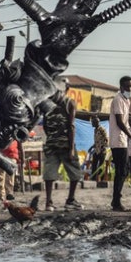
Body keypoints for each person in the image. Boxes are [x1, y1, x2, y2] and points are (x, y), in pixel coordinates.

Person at [42, 82, 83, 210]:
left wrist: (52, 137)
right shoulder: (69, 102)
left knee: (49, 173)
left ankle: (49, 202)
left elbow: (45, 125)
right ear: (66, 89)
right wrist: (71, 148)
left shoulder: (46, 104)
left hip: (51, 144)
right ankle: (70, 200)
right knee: (75, 172)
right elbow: (71, 126)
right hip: (65, 143)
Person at [108, 75, 131, 212]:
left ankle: (116, 200)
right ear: (121, 87)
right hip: (118, 140)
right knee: (122, 171)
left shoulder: (126, 100)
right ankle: (116, 202)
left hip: (122, 140)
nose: (130, 89)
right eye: (127, 86)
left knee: (124, 170)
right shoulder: (118, 99)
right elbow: (120, 122)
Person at [90, 115, 108, 182]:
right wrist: (91, 147)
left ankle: (101, 179)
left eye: (92, 122)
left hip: (102, 151)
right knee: (94, 164)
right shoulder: (95, 130)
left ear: (96, 122)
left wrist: (103, 148)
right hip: (97, 150)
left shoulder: (102, 129)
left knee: (101, 165)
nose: (91, 124)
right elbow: (97, 141)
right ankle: (93, 179)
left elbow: (106, 139)